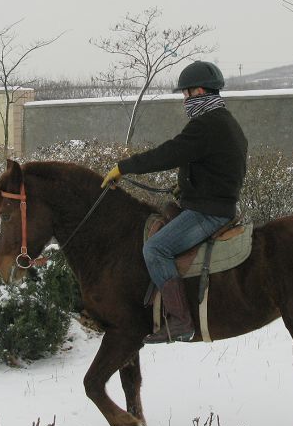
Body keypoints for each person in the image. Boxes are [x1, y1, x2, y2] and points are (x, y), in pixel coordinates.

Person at [101, 61, 248, 344]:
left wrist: (124, 167)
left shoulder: (207, 125)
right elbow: (215, 170)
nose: (184, 100)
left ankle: (181, 321)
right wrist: (186, 188)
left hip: (209, 212)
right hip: (211, 203)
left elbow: (169, 153)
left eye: (186, 93)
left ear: (200, 91)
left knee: (156, 248)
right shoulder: (224, 121)